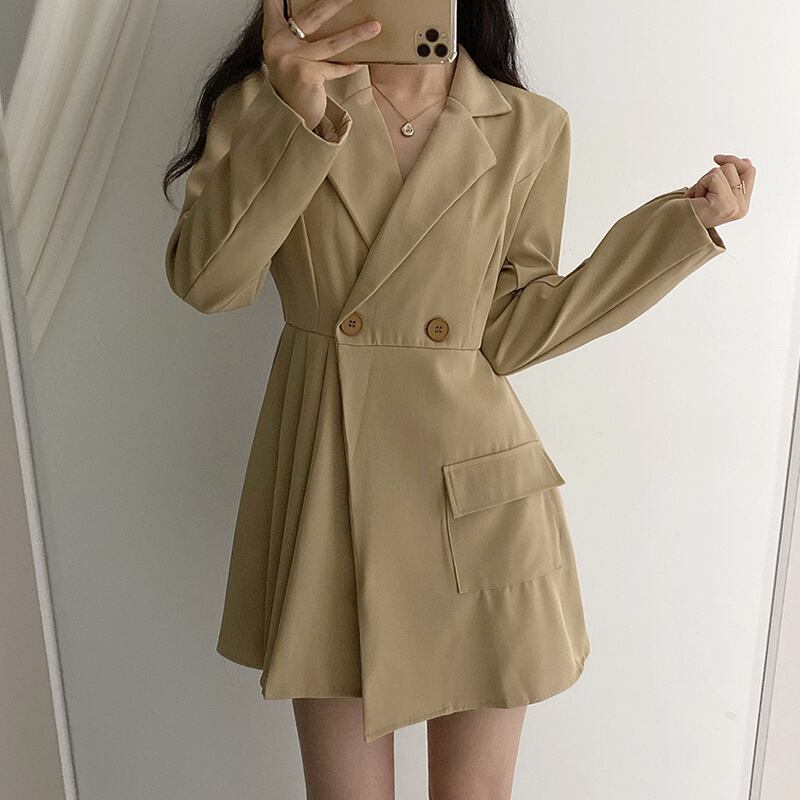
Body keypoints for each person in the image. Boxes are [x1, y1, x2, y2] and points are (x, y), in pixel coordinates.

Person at [162, 0, 754, 797]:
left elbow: (509, 332)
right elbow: (208, 283)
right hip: (331, 483)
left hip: (478, 501)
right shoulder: (267, 103)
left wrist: (679, 230)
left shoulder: (528, 126)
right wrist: (292, 114)